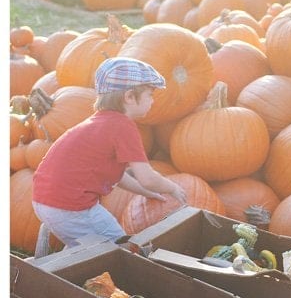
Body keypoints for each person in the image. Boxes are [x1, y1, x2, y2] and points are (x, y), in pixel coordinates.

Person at [32, 57, 188, 252]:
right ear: (130, 97)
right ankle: (43, 270)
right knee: (118, 249)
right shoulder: (123, 126)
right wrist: (172, 188)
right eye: (150, 94)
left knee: (88, 246)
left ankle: (49, 265)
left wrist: (145, 192)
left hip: (46, 200)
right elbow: (147, 177)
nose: (153, 100)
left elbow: (118, 176)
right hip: (71, 207)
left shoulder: (101, 123)